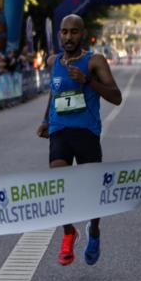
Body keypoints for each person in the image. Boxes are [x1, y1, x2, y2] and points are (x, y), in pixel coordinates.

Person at [37, 14, 122, 267]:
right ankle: (67, 232)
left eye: (74, 32)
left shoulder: (94, 61)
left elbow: (116, 97)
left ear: (82, 34)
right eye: (64, 32)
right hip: (60, 130)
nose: (68, 37)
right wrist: (45, 120)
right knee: (60, 184)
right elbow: (55, 91)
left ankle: (94, 230)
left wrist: (88, 81)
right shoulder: (54, 61)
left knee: (91, 192)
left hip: (86, 133)